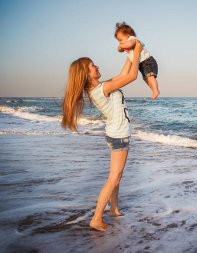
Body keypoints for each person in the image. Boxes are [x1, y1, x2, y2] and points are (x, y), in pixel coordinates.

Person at [61, 41, 143, 231]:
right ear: (86, 74)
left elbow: (124, 74)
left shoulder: (102, 86)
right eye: (92, 65)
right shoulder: (102, 89)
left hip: (115, 133)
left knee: (116, 176)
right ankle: (96, 218)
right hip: (119, 135)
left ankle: (114, 209)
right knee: (114, 177)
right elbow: (131, 76)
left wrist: (129, 53)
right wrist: (137, 51)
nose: (96, 66)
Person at [115, 22, 160, 99]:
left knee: (150, 76)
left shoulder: (132, 39)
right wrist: (120, 47)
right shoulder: (126, 44)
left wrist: (121, 46)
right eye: (118, 41)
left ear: (128, 36)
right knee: (145, 78)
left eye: (121, 40)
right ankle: (153, 90)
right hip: (141, 64)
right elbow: (120, 50)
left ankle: (156, 90)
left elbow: (129, 44)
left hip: (147, 61)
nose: (120, 43)